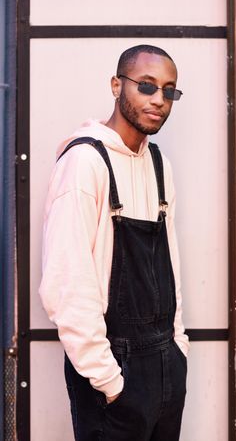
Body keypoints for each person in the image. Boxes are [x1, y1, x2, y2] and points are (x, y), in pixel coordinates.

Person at [39, 44, 189, 441]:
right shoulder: (84, 162)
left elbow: (170, 261)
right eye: (146, 86)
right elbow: (65, 284)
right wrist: (110, 381)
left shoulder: (159, 164)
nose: (159, 100)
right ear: (116, 85)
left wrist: (178, 349)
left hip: (165, 367)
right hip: (114, 371)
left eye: (169, 91)